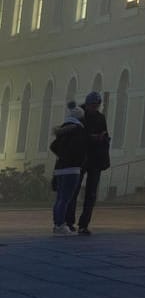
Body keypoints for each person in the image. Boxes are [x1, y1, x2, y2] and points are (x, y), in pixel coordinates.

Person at [49, 106, 87, 234]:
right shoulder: (79, 130)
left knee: (60, 198)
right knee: (66, 199)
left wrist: (62, 155)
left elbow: (53, 146)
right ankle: (61, 225)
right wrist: (78, 161)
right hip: (72, 169)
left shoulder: (63, 131)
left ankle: (57, 224)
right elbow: (82, 149)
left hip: (60, 168)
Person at [77, 91, 111, 235]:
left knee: (91, 193)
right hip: (81, 157)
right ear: (87, 104)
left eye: (97, 105)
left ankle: (84, 224)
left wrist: (103, 138)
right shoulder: (80, 116)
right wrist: (92, 138)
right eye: (93, 105)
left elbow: (105, 134)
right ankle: (68, 221)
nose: (95, 108)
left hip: (95, 159)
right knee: (74, 189)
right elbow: (77, 135)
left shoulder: (100, 118)